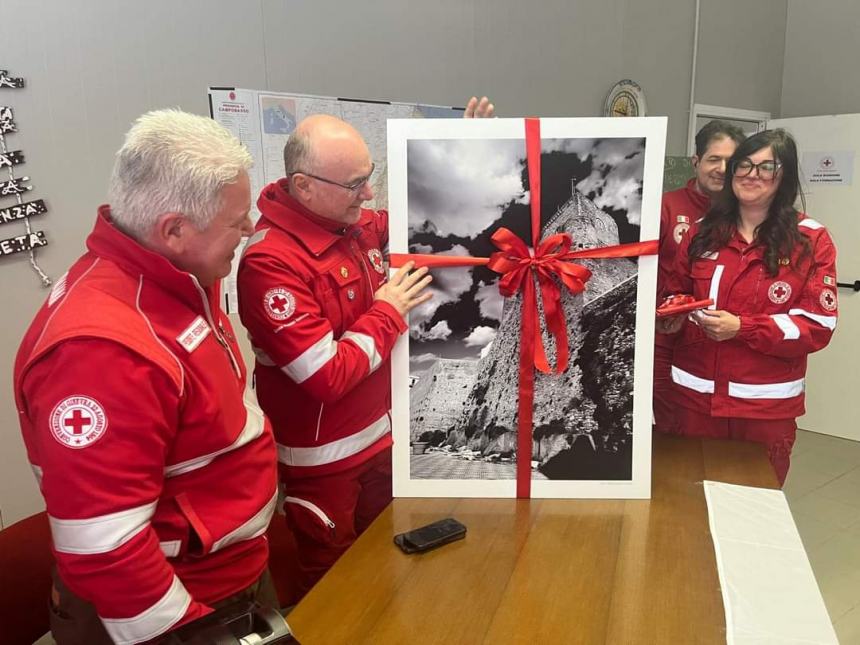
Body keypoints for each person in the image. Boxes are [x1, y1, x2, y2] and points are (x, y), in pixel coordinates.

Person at [14, 110, 279, 644]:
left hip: (230, 574)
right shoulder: (100, 351)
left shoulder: (179, 276)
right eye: (236, 219)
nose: (250, 229)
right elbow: (105, 548)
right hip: (171, 607)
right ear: (174, 229)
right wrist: (188, 633)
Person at [237, 96, 494, 599]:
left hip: (381, 443)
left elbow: (416, 222)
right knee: (337, 586)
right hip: (325, 465)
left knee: (390, 564)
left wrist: (461, 142)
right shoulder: (270, 263)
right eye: (355, 185)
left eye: (367, 176)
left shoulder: (348, 223)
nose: (369, 193)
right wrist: (388, 311)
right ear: (304, 186)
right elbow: (325, 376)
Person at [657, 129, 838, 485]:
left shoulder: (810, 240)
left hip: (763, 412)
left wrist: (744, 328)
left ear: (784, 176)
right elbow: (674, 292)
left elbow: (817, 325)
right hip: (693, 403)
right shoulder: (700, 234)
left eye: (765, 167)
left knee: (754, 513)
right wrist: (670, 318)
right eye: (744, 165)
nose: (751, 175)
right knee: (686, 502)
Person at [654, 120, 746, 434]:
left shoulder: (748, 213)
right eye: (713, 159)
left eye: (730, 161)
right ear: (696, 162)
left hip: (721, 341)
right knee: (672, 426)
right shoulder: (666, 206)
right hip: (666, 338)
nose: (722, 168)